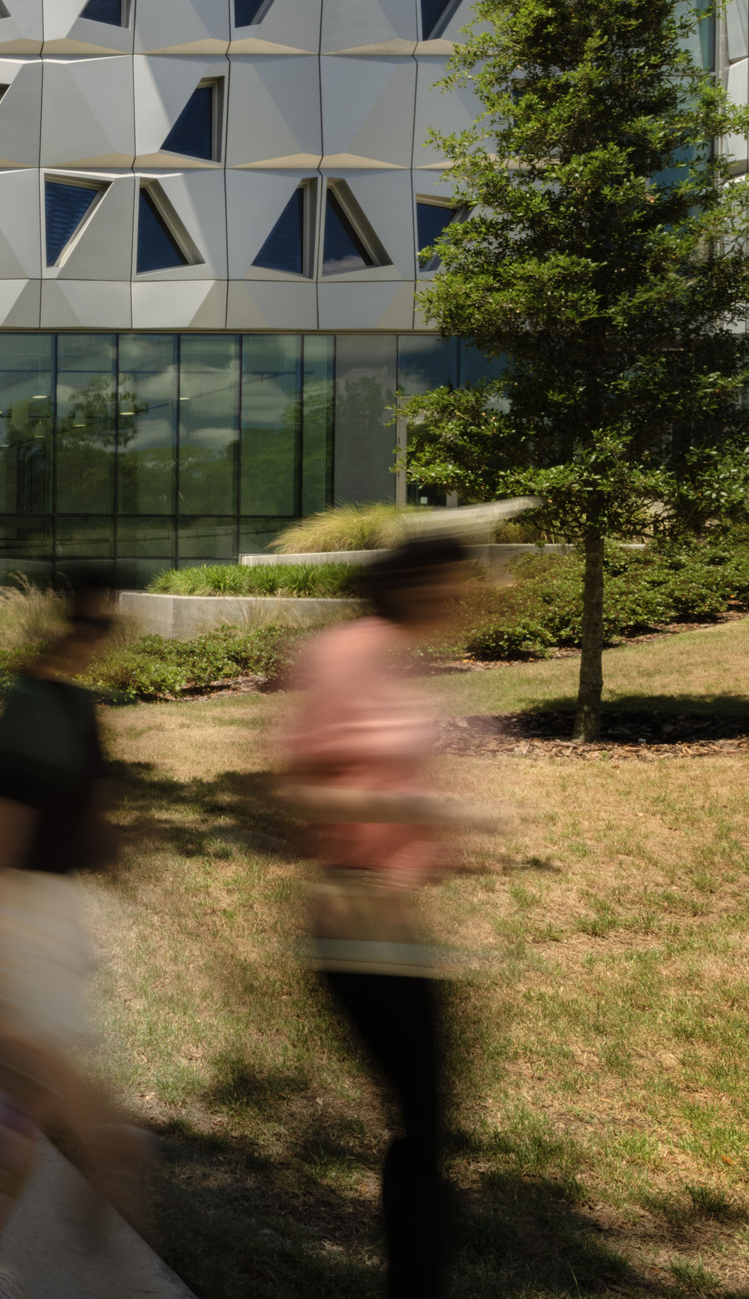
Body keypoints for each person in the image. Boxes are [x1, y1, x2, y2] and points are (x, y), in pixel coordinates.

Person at [277, 531, 497, 1299]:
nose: (460, 599)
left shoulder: (394, 656)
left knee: (425, 1116)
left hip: (391, 916)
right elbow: (299, 790)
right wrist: (413, 807)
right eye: (451, 583)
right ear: (410, 582)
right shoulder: (347, 654)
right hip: (352, 909)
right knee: (422, 1118)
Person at [0, 570, 146, 1299]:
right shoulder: (36, 708)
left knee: (21, 1105)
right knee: (30, 1094)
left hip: (45, 913)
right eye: (102, 622)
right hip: (17, 916)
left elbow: (88, 826)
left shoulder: (74, 707)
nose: (103, 637)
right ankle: (109, 1146)